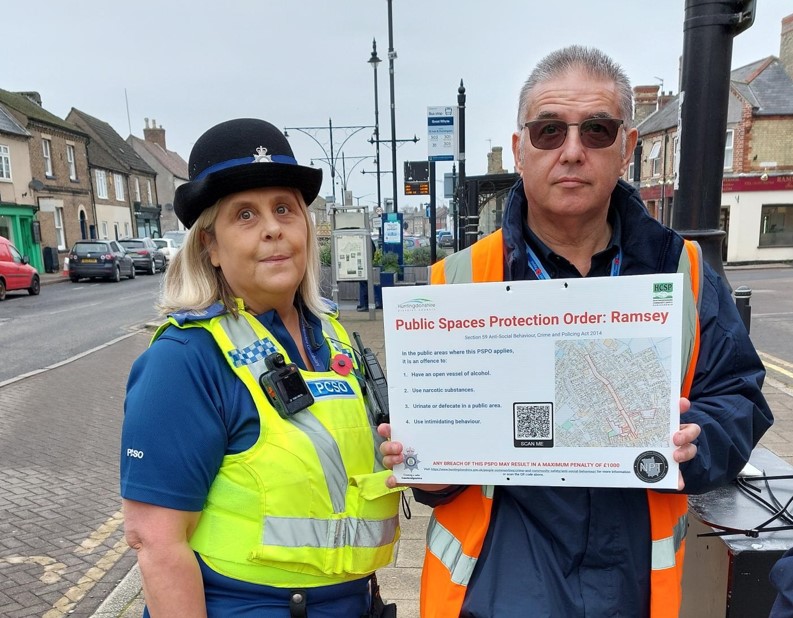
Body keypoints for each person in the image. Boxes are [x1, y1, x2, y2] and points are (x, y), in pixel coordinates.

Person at [377, 46, 773, 617]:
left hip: (633, 585)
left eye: (596, 130)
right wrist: (420, 457)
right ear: (518, 150)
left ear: (627, 148)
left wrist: (697, 440)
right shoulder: (454, 282)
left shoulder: (683, 271)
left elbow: (737, 395)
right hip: (494, 589)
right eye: (548, 131)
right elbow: (435, 462)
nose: (571, 151)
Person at [120, 118, 402, 617]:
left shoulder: (335, 338)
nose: (273, 227)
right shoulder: (185, 359)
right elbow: (156, 542)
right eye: (245, 215)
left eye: (284, 209)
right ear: (209, 245)